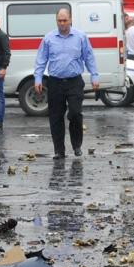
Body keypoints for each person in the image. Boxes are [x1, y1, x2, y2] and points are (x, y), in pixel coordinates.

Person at [33, 8, 99, 160]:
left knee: (75, 113)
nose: (62, 24)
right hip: (55, 82)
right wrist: (38, 78)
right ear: (56, 21)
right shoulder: (48, 38)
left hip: (74, 81)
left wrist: (94, 76)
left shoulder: (80, 37)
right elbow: (41, 59)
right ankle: (59, 150)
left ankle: (76, 145)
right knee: (55, 117)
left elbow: (89, 57)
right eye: (59, 21)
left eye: (65, 20)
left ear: (70, 20)